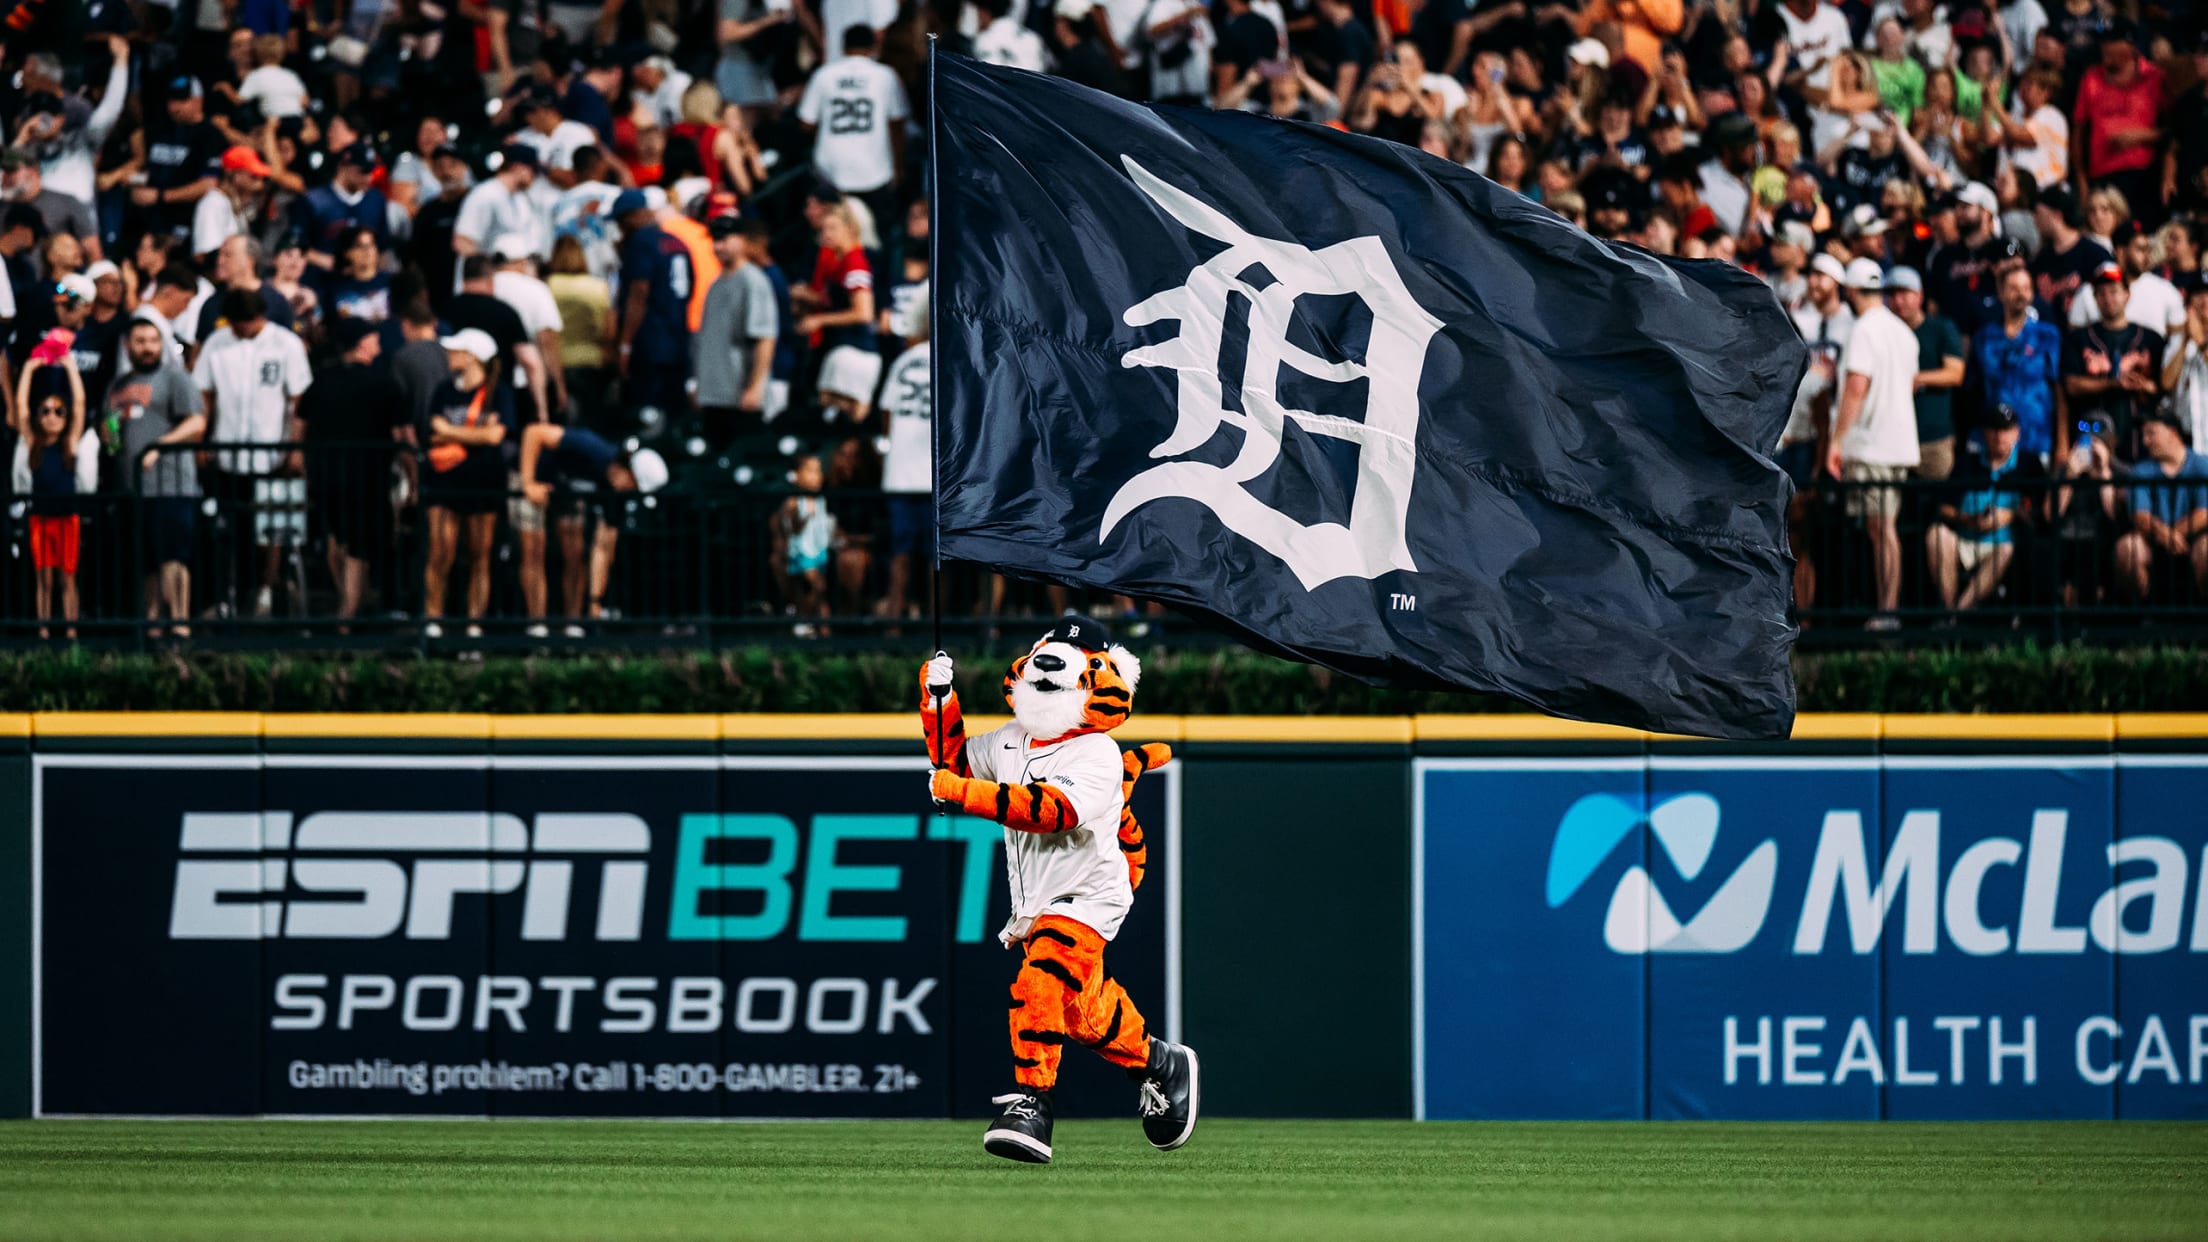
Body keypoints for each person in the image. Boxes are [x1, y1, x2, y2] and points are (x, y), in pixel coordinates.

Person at [917, 624, 1197, 1165]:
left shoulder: (1098, 753)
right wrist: (940, 700)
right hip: (1037, 901)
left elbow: (1051, 812)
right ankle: (1160, 1063)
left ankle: (1032, 1103)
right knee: (1079, 1010)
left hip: (1091, 893)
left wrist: (963, 794)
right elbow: (951, 764)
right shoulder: (1007, 739)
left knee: (1040, 980)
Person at [192, 286, 312, 619]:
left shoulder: (285, 344)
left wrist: (294, 448)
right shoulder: (218, 343)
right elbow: (205, 394)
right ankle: (224, 595)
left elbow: (298, 400)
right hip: (227, 450)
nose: (239, 329)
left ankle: (266, 590)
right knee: (226, 527)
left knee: (271, 526)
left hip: (271, 450)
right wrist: (202, 441)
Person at [1826, 258, 1922, 629]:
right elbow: (1910, 385)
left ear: (1850, 291)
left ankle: (1887, 610)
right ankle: (1886, 608)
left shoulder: (1864, 330)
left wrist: (1836, 441)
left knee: (1882, 530)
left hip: (1871, 443)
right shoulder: (1904, 332)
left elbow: (1855, 388)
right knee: (1884, 528)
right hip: (1898, 442)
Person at [514, 422, 670, 635]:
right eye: (632, 484)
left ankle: (573, 625)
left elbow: (603, 549)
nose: (629, 490)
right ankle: (536, 625)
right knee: (534, 548)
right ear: (626, 469)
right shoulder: (592, 448)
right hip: (535, 471)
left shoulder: (617, 496)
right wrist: (528, 482)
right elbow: (533, 432)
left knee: (575, 551)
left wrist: (595, 601)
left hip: (564, 492)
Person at [298, 319, 407, 623]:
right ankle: (348, 611)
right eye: (374, 339)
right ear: (361, 343)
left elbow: (299, 424)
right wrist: (412, 473)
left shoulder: (321, 381)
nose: (379, 345)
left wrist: (300, 462)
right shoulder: (383, 383)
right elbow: (403, 435)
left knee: (338, 538)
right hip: (369, 476)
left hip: (327, 474)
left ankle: (348, 601)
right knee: (359, 543)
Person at [107, 318, 207, 640]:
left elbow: (196, 423)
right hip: (134, 490)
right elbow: (110, 432)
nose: (148, 347)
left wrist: (158, 446)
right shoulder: (117, 385)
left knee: (173, 555)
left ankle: (179, 623)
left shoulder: (175, 378)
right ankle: (150, 625)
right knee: (147, 560)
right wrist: (107, 434)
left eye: (153, 340)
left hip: (173, 484)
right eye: (140, 341)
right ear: (128, 346)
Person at [421, 328, 510, 639]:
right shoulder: (444, 390)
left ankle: (474, 626)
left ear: (473, 356)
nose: (450, 355)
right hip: (443, 480)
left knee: (479, 554)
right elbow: (434, 429)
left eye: (456, 350)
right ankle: (432, 621)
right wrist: (475, 435)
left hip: (483, 481)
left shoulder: (499, 391)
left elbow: (494, 435)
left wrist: (451, 433)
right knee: (439, 551)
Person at [1926, 404, 2046, 614]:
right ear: (1984, 432)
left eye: (2005, 429)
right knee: (1936, 535)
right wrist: (1968, 519)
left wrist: (2007, 515)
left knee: (2006, 549)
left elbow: (2038, 510)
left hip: (2002, 546)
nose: (1999, 436)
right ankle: (1949, 608)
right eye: (1994, 429)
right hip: (1965, 540)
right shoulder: (1967, 462)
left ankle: (1957, 615)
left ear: (2017, 433)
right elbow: (1943, 507)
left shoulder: (2029, 464)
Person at [797, 26, 912, 237]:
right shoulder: (885, 76)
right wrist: (899, 167)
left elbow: (806, 122)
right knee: (875, 237)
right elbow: (897, 124)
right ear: (873, 46)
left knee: (831, 236)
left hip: (831, 169)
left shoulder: (825, 74)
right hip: (874, 170)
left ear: (843, 46)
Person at [12, 348, 89, 638]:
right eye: (45, 411)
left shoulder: (69, 444)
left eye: (58, 411)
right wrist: (30, 370)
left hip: (67, 517)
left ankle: (71, 631)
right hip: (41, 519)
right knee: (42, 577)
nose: (52, 416)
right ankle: (43, 630)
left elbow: (80, 403)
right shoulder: (35, 445)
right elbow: (21, 408)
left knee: (67, 577)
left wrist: (70, 367)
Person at [2062, 260, 2165, 463]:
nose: (2108, 298)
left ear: (2127, 294)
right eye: (2101, 293)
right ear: (2095, 298)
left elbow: (2165, 387)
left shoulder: (2151, 339)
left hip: (2141, 439)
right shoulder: (2079, 338)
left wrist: (2143, 386)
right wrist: (2113, 384)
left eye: (2114, 291)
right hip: (2091, 435)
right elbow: (2071, 385)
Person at [612, 190, 699, 424]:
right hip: (678, 339)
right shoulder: (677, 242)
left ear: (632, 216)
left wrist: (625, 344)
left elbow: (639, 292)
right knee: (673, 413)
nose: (620, 228)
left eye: (621, 220)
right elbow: (691, 286)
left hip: (649, 342)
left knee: (646, 415)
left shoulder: (642, 241)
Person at [694, 214, 779, 448]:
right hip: (715, 393)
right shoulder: (716, 284)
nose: (718, 246)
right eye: (715, 239)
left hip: (740, 395)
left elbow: (765, 338)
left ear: (742, 240)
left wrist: (755, 387)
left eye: (724, 239)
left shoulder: (753, 281)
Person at [1969, 266, 2064, 461]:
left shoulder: (2048, 335)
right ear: (2001, 292)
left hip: (2036, 437)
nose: (2021, 293)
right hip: (1991, 440)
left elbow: (2060, 392)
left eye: (2026, 288)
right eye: (2014, 288)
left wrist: (2062, 442)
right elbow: (1972, 390)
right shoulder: (1984, 337)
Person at [798, 201, 879, 427]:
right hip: (848, 348)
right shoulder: (840, 262)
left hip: (855, 349)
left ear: (851, 229)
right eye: (823, 229)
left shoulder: (855, 263)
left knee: (841, 417)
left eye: (832, 228)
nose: (825, 234)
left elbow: (864, 312)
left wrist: (819, 319)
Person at [2115, 409, 2208, 602]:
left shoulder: (2202, 465)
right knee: (2127, 548)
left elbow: (2204, 513)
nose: (2145, 441)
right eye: (2143, 435)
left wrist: (2173, 534)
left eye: (2151, 433)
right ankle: (2144, 614)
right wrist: (2163, 535)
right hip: (2153, 542)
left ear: (2172, 433)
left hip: (2193, 541)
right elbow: (2140, 516)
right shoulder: (2141, 471)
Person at [877, 304, 930, 625]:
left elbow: (886, 413)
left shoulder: (903, 362)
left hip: (900, 473)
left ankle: (894, 622)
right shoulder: (945, 359)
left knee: (901, 556)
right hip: (933, 476)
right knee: (935, 560)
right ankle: (938, 623)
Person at [1887, 267, 1965, 480]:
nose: (1898, 300)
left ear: (1919, 296)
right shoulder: (1885, 333)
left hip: (1934, 437)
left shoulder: (1940, 328)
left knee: (1936, 502)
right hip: (1894, 438)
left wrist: (1916, 379)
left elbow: (1955, 373)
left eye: (1904, 293)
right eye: (1892, 294)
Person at [451, 145, 545, 291]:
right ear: (517, 167)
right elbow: (462, 242)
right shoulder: (485, 194)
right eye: (534, 171)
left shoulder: (520, 199)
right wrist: (497, 268)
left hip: (505, 284)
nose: (536, 177)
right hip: (480, 285)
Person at [774, 452, 835, 627]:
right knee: (818, 587)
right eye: (810, 471)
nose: (816, 476)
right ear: (796, 476)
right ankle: (805, 618)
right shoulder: (794, 501)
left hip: (819, 551)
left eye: (818, 471)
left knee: (821, 594)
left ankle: (823, 629)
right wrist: (801, 518)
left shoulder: (821, 500)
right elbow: (791, 528)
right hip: (802, 553)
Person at [191, 145, 272, 264]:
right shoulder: (214, 203)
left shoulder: (232, 203)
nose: (259, 184)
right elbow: (203, 256)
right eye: (254, 176)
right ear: (235, 175)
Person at [2163, 278, 2208, 449]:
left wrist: (2201, 342)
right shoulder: (2177, 339)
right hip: (2186, 440)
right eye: (2199, 294)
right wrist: (2185, 339)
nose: (2205, 300)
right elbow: (2167, 383)